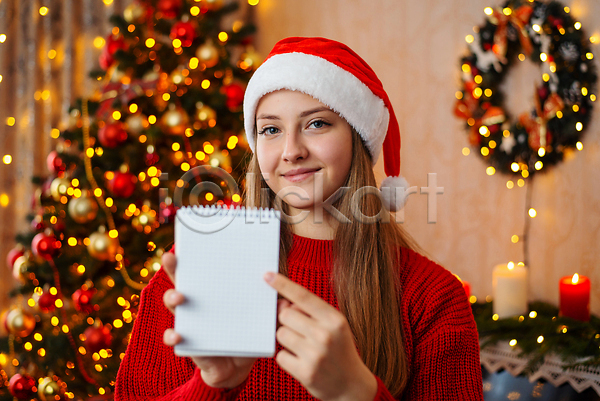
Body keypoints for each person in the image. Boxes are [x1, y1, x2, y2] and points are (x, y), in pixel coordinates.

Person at [115, 37, 484, 400]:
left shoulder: (433, 297)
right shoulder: (199, 266)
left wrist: (357, 393)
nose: (291, 151)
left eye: (317, 124)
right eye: (271, 130)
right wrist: (211, 385)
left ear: (358, 138)